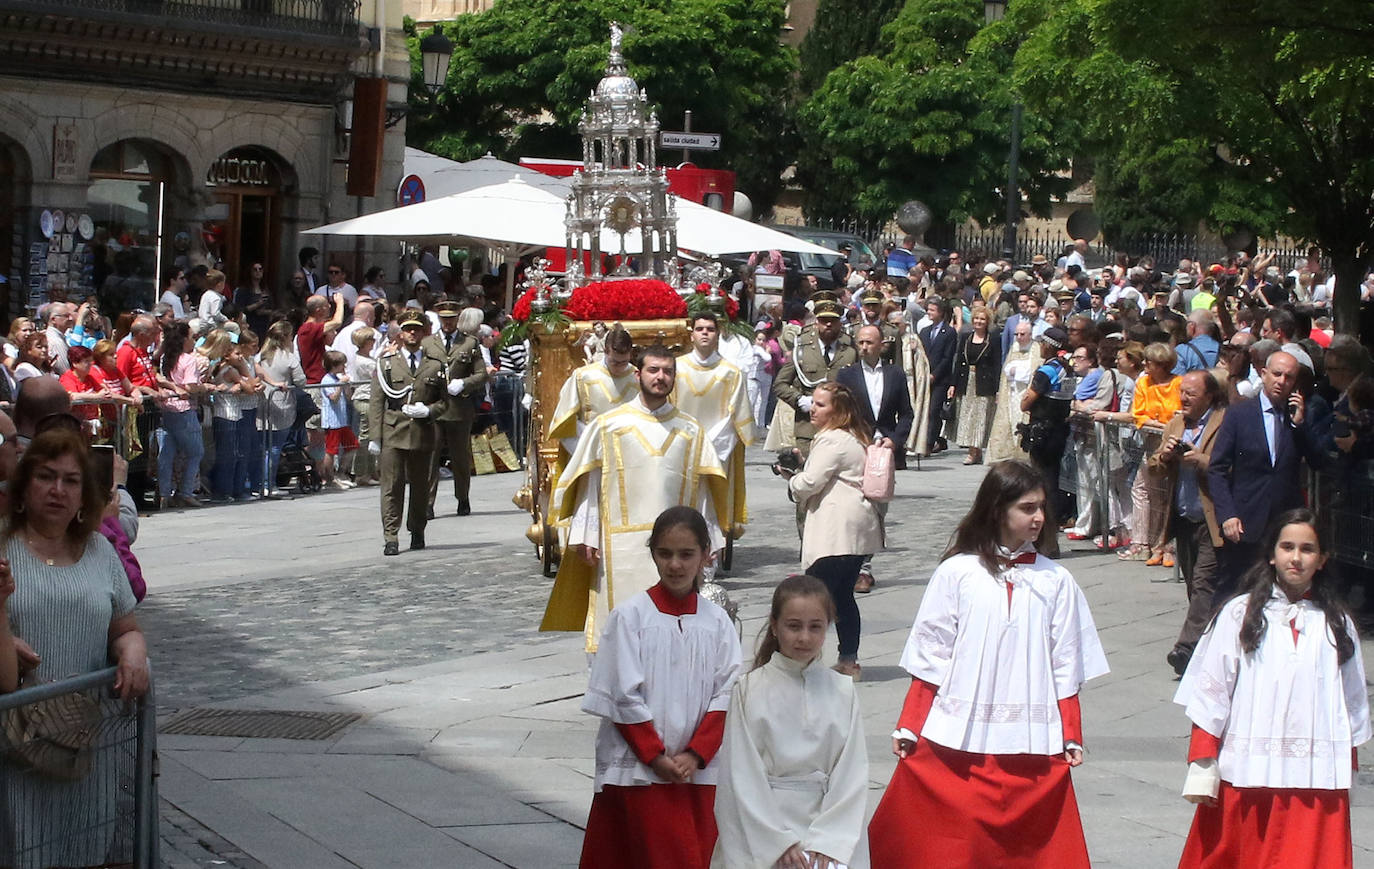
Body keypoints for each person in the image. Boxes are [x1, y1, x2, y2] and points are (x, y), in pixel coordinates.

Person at [867, 460, 1110, 868]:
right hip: (959, 732)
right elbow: (932, 655)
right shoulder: (957, 572)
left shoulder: (1057, 581)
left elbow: (1066, 662)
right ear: (999, 509)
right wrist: (911, 723)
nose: (1039, 518)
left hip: (1031, 735)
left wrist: (1071, 732)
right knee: (951, 840)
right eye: (1028, 508)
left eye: (1041, 508)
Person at [1174, 510, 1369, 869]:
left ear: (1322, 558)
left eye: (1307, 549)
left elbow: (1351, 707)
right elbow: (1210, 694)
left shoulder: (1337, 625)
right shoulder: (1239, 614)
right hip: (1247, 774)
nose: (1296, 558)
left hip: (1316, 780)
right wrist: (1203, 759)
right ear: (1271, 554)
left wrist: (1348, 768)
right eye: (1287, 547)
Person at [0, 427, 149, 869]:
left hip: (85, 740)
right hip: (17, 743)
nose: (58, 490)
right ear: (25, 485)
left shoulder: (99, 550)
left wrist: (133, 652)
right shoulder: (3, 548)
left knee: (86, 845)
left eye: (71, 480)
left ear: (85, 494)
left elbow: (125, 626)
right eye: (46, 476)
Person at [578, 506, 742, 869]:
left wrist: (696, 754)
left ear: (705, 555)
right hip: (640, 772)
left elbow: (728, 691)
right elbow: (621, 693)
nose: (676, 565)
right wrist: (654, 756)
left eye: (687, 555)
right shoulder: (630, 616)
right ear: (652, 553)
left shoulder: (716, 623)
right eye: (665, 554)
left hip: (697, 771)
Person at [540, 346, 727, 652]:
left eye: (668, 371)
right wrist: (587, 534)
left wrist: (710, 539)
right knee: (620, 627)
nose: (661, 377)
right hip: (617, 544)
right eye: (654, 370)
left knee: (674, 631)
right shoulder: (608, 425)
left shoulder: (691, 430)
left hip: (677, 547)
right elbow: (591, 484)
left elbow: (703, 490)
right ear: (638, 374)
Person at [711, 575, 869, 869]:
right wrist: (776, 843)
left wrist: (829, 841)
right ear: (774, 625)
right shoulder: (749, 690)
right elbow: (740, 775)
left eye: (815, 627)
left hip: (828, 830)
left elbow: (852, 774)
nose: (804, 638)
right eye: (793, 626)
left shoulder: (843, 691)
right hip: (762, 828)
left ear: (828, 626)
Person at [775, 382, 883, 680]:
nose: (813, 408)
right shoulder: (855, 436)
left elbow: (810, 483)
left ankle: (800, 660)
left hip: (836, 531)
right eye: (814, 403)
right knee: (843, 598)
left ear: (839, 410)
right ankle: (848, 660)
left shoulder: (832, 439)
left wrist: (791, 480)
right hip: (856, 529)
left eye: (821, 405)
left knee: (811, 598)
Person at [1207, 349, 1323, 597]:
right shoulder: (1240, 414)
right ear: (1264, 374)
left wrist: (1300, 426)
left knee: (1280, 593)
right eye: (1277, 374)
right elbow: (1216, 469)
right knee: (1237, 590)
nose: (1282, 382)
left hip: (1283, 521)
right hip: (1246, 520)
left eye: (1289, 377)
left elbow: (1317, 461)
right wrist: (1227, 514)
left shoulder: (1295, 418)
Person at [1150, 371, 1228, 675]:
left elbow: (1231, 468)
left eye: (1191, 394)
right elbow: (1154, 468)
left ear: (1209, 395)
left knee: (1204, 584)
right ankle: (1208, 645)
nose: (1183, 398)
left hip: (1212, 518)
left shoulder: (1224, 423)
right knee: (1194, 586)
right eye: (1182, 392)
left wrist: (1202, 461)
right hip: (1183, 517)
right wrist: (1166, 456)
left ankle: (1185, 648)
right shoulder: (1176, 424)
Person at [672, 312, 755, 571]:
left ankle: (707, 562)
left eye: (710, 329)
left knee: (709, 504)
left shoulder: (731, 373)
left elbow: (736, 414)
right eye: (700, 329)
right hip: (681, 447)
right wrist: (688, 441)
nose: (705, 333)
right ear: (691, 334)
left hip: (719, 448)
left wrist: (711, 444)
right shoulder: (677, 368)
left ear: (718, 334)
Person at [836, 325, 913, 593]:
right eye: (860, 342)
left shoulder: (895, 375)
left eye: (870, 342)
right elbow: (840, 414)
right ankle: (857, 567)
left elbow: (906, 413)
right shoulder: (846, 375)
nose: (864, 347)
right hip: (858, 447)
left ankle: (865, 565)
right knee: (857, 508)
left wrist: (895, 439)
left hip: (885, 450)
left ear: (882, 345)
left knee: (878, 507)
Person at [370, 310, 447, 556]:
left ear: (424, 332)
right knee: (391, 487)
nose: (412, 333)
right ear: (400, 333)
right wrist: (374, 438)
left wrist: (429, 410)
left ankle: (417, 529)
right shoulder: (387, 363)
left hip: (422, 431)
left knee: (420, 486)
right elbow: (376, 402)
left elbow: (444, 402)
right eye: (407, 329)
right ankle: (390, 536)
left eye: (417, 329)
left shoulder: (434, 364)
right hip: (394, 431)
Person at [420, 303, 488, 518]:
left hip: (459, 408)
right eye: (444, 318)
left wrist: (464, 384)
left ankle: (462, 497)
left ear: (457, 318)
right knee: (431, 457)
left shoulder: (469, 343)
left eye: (451, 318)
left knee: (460, 457)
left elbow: (481, 374)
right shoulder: (428, 343)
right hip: (434, 407)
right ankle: (427, 503)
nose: (447, 322)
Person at [772, 297, 857, 458]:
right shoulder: (802, 349)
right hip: (808, 427)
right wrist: (798, 400)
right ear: (816, 322)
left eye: (833, 320)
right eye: (824, 320)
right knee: (807, 477)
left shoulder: (850, 350)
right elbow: (780, 384)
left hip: (842, 427)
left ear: (840, 323)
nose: (829, 324)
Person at [547, 324, 638, 464]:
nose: (620, 367)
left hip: (630, 455)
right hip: (591, 456)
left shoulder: (637, 377)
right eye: (614, 362)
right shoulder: (583, 377)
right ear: (605, 351)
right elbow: (565, 420)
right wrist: (590, 445)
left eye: (624, 362)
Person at [155, 321, 206, 508]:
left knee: (167, 453)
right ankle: (184, 491)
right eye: (192, 337)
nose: (194, 341)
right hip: (184, 410)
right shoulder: (188, 359)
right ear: (184, 339)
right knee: (196, 452)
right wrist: (204, 387)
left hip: (167, 408)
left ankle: (164, 493)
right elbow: (191, 386)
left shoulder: (165, 358)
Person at [256, 320, 307, 499]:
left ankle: (261, 483)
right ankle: (268, 484)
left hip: (262, 403)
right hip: (282, 404)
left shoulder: (259, 356)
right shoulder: (289, 357)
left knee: (264, 448)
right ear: (286, 337)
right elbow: (301, 380)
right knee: (275, 447)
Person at [949, 307, 1002, 465]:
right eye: (976, 318)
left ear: (987, 322)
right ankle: (974, 451)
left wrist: (998, 387)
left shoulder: (993, 339)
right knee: (967, 417)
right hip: (967, 381)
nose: (979, 322)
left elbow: (996, 364)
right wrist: (953, 384)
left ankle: (975, 451)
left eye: (982, 319)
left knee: (980, 418)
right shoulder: (966, 337)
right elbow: (958, 361)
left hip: (984, 383)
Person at [918, 298, 957, 455]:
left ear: (940, 312)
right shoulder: (924, 331)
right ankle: (929, 440)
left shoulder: (949, 332)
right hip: (924, 377)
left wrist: (935, 375)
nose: (929, 312)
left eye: (932, 310)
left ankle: (929, 443)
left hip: (940, 379)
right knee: (923, 411)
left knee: (934, 411)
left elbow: (948, 358)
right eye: (928, 309)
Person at [319, 350, 359, 491]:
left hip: (342, 420)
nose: (344, 367)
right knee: (331, 451)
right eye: (342, 364)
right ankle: (329, 479)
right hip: (332, 421)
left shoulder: (337, 379)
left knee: (352, 445)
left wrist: (347, 386)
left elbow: (347, 398)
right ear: (335, 365)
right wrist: (340, 384)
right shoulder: (327, 380)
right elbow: (334, 398)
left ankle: (341, 473)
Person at [349, 326, 379, 487]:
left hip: (367, 397)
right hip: (365, 398)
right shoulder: (365, 362)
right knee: (365, 437)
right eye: (372, 339)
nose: (374, 342)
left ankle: (371, 470)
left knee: (371, 435)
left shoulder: (362, 358)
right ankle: (362, 472)